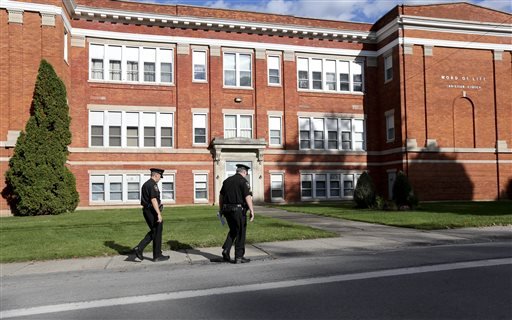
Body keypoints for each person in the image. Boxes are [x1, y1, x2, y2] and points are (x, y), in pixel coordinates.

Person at [219, 163, 255, 264]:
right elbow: (247, 196)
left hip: (227, 210)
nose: (246, 174)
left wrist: (221, 209)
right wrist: (252, 210)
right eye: (246, 173)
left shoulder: (227, 181)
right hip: (238, 210)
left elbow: (221, 196)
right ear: (244, 172)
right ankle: (239, 256)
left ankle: (226, 249)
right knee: (240, 232)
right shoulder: (243, 182)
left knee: (234, 230)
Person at [133, 168, 170, 262]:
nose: (160, 179)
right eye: (160, 177)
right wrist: (158, 214)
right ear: (156, 175)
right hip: (151, 211)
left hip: (148, 210)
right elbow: (153, 199)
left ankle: (141, 249)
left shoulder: (146, 184)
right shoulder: (152, 184)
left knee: (155, 231)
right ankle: (156, 255)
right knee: (157, 231)